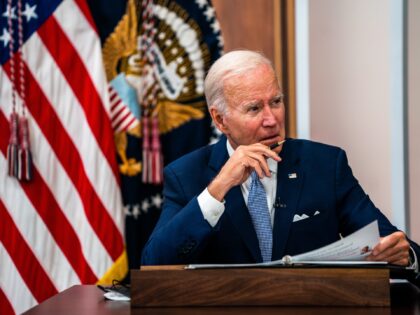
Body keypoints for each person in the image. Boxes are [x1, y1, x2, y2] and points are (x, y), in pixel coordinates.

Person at [141, 50, 419, 269]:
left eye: (275, 102)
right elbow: (155, 263)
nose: (272, 120)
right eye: (254, 108)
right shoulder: (186, 175)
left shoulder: (325, 165)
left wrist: (404, 255)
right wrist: (219, 187)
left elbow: (393, 244)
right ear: (220, 119)